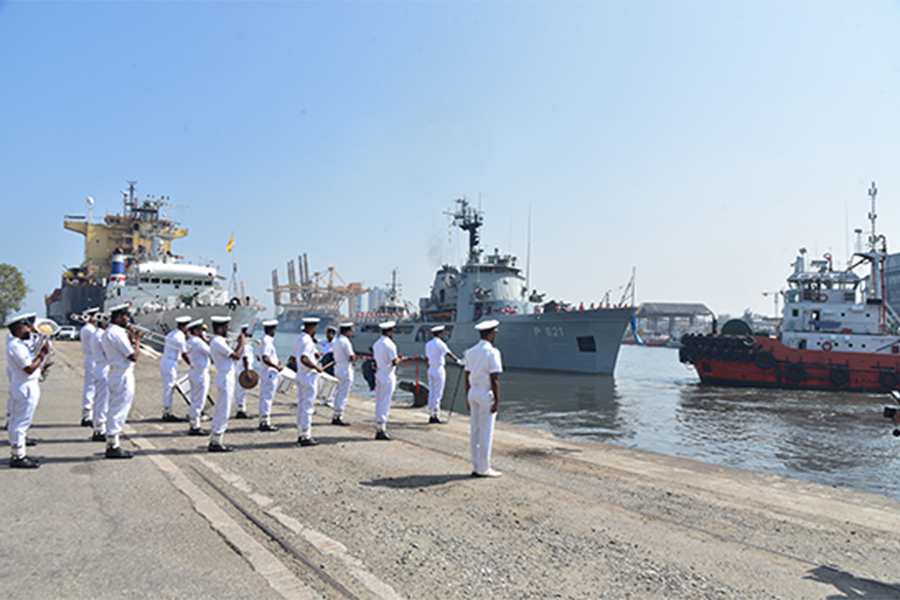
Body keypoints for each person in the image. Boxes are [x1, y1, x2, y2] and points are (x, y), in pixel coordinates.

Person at [6, 313, 50, 469]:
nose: (30, 330)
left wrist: (42, 363)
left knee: (18, 421)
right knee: (21, 422)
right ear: (19, 329)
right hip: (25, 386)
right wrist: (42, 354)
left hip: (25, 384)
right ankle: (18, 456)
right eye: (26, 327)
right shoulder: (16, 346)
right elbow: (28, 368)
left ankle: (18, 451)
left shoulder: (20, 344)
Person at [100, 303, 143, 459]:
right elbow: (133, 356)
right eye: (125, 316)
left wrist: (131, 338)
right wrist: (137, 340)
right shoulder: (116, 333)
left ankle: (113, 442)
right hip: (122, 375)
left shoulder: (109, 332)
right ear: (118, 317)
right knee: (119, 409)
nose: (128, 319)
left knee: (115, 407)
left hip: (116, 373)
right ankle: (113, 445)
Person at [464, 319, 503, 478]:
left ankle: (475, 465)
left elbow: (467, 376)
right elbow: (494, 378)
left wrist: (467, 396)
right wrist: (497, 400)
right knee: (486, 431)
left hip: (473, 391)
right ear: (491, 334)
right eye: (494, 333)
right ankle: (484, 468)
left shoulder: (470, 352)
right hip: (485, 392)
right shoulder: (492, 352)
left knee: (475, 430)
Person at [207, 315, 245, 452]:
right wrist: (242, 342)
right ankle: (216, 441)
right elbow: (237, 356)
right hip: (225, 376)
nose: (227, 329)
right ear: (219, 328)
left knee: (222, 408)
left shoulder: (218, 341)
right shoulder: (217, 341)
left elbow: (232, 354)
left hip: (225, 375)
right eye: (225, 327)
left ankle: (215, 438)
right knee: (224, 409)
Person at [292, 317, 323, 446]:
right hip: (308, 375)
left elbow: (294, 359)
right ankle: (306, 435)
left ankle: (301, 433)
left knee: (301, 405)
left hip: (300, 373)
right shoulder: (308, 341)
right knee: (308, 406)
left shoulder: (298, 339)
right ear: (313, 328)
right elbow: (304, 358)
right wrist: (316, 367)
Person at [424, 325, 462, 424]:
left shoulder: (428, 344)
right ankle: (435, 416)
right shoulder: (440, 343)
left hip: (431, 368)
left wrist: (429, 369)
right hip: (438, 369)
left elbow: (427, 358)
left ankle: (431, 414)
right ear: (440, 334)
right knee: (438, 393)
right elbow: (448, 353)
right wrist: (458, 361)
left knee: (432, 392)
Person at [372, 320, 402, 440]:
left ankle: (379, 426)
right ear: (389, 331)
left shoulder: (377, 343)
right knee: (385, 401)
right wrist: (401, 359)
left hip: (379, 372)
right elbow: (394, 362)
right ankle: (381, 430)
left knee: (380, 400)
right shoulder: (390, 344)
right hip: (388, 374)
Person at [160, 315, 192, 421]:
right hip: (171, 363)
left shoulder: (171, 333)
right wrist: (192, 365)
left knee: (168, 386)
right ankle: (167, 413)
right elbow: (184, 353)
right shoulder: (179, 336)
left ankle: (167, 411)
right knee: (169, 387)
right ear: (184, 327)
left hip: (166, 361)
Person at [256, 319, 282, 432]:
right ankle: (265, 422)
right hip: (269, 371)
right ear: (272, 330)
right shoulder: (267, 341)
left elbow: (259, 357)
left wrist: (275, 361)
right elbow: (265, 357)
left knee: (264, 395)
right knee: (267, 396)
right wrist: (276, 366)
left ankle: (263, 419)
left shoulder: (261, 340)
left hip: (264, 369)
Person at [185, 319, 210, 436]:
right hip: (200, 373)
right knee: (199, 400)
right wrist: (206, 341)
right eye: (200, 330)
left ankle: (194, 423)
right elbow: (211, 352)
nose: (202, 332)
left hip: (194, 371)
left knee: (195, 398)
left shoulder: (190, 340)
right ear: (195, 330)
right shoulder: (198, 342)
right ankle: (195, 426)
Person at [330, 322, 356, 426]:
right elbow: (350, 356)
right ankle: (339, 416)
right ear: (347, 331)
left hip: (337, 367)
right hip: (345, 368)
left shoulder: (337, 341)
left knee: (338, 392)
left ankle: (336, 414)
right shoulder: (346, 341)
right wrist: (354, 356)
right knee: (343, 393)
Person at [89, 315, 110, 442]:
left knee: (99, 398)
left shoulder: (96, 333)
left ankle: (99, 426)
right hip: (104, 368)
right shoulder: (101, 336)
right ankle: (100, 429)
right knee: (103, 400)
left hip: (99, 366)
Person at [79, 307, 99, 426]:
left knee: (90, 386)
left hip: (90, 358)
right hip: (93, 358)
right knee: (91, 387)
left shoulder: (86, 328)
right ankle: (87, 415)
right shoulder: (91, 330)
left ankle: (87, 413)